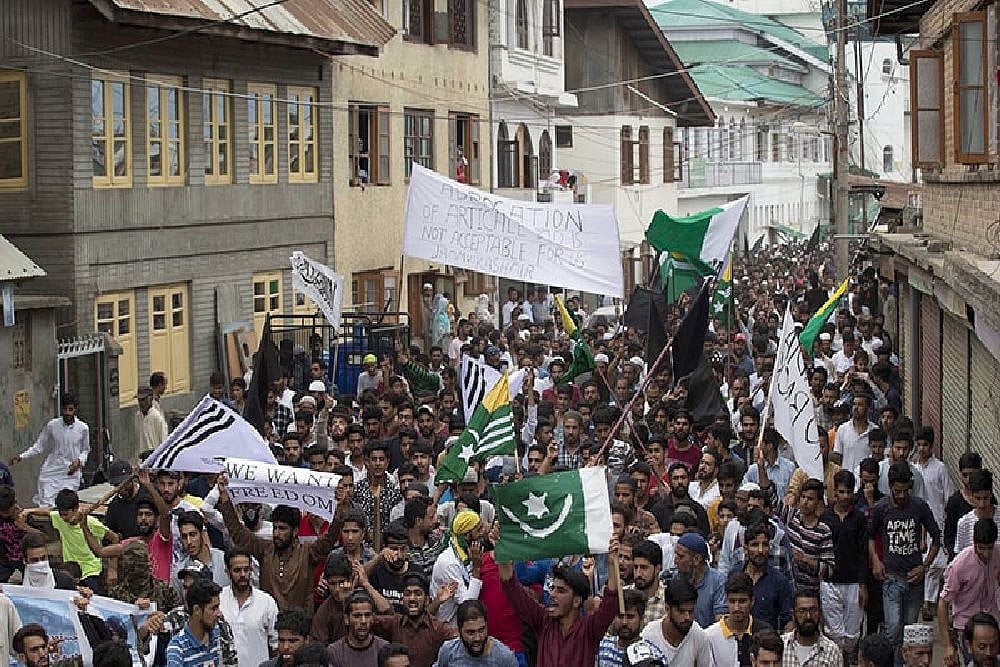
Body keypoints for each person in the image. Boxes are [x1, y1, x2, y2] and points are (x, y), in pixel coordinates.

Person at [216, 475, 345, 611]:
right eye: (275, 528)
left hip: (301, 626)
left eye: (282, 529)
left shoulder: (308, 552)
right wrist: (225, 499)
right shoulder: (266, 549)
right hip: (270, 624)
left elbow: (330, 537)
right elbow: (238, 533)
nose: (277, 533)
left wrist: (340, 506)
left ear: (295, 531)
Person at [497, 537, 620, 666]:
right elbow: (511, 588)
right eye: (552, 588)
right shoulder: (543, 621)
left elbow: (610, 602)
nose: (552, 594)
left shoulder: (589, 629)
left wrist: (612, 563)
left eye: (561, 591)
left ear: (576, 601)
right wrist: (502, 548)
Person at [869, 462, 941, 663]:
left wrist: (924, 566)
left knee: (909, 632)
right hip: (891, 577)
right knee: (893, 631)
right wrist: (876, 560)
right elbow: (870, 537)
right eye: (897, 491)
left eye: (905, 491)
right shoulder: (881, 508)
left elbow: (936, 538)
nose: (901, 495)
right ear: (890, 487)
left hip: (914, 579)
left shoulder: (919, 506)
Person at [819, 469, 868, 661]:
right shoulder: (825, 519)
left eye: (848, 492)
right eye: (841, 492)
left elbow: (863, 552)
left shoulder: (859, 519)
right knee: (834, 632)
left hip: (853, 582)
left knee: (852, 633)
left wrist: (863, 584)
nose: (845, 496)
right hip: (830, 581)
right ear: (834, 492)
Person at [938, 519, 1000, 667]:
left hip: (992, 621)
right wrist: (947, 646)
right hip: (966, 625)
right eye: (982, 548)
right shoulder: (960, 565)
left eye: (989, 548)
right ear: (974, 542)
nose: (986, 553)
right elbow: (943, 604)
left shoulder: (998, 554)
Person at [12, 394, 89, 507]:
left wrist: (79, 461)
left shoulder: (83, 428)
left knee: (66, 504)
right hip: (52, 470)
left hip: (70, 473)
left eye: (70, 409)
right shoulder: (52, 425)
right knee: (46, 502)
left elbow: (86, 450)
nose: (67, 412)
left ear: (75, 410)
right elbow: (39, 446)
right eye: (65, 409)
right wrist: (22, 456)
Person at [218, 547, 278, 667]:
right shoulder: (218, 600)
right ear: (227, 572)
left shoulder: (266, 602)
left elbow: (276, 644)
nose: (243, 575)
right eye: (237, 570)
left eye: (246, 569)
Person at [639, 577, 713, 665]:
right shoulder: (649, 635)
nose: (687, 617)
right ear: (667, 609)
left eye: (691, 611)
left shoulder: (699, 636)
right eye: (681, 612)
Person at [431, 510, 485, 625]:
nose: (482, 533)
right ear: (466, 535)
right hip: (447, 627)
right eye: (478, 530)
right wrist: (476, 569)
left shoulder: (467, 552)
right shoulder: (449, 562)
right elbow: (467, 604)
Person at [434, 600, 518, 666]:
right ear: (459, 631)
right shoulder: (448, 651)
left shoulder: (504, 657)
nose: (477, 638)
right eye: (471, 632)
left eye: (481, 630)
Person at [703, 572, 760, 667]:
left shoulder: (764, 632)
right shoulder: (709, 636)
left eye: (742, 601)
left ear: (752, 601)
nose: (737, 607)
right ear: (726, 601)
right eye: (732, 601)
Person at [164, 578, 224, 666]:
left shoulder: (220, 633)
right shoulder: (177, 648)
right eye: (213, 608)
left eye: (218, 607)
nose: (219, 613)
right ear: (197, 610)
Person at [672, 532, 726, 629]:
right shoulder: (675, 578)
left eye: (680, 557)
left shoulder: (718, 581)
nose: (675, 561)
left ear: (696, 559)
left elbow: (720, 623)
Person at [780, 588, 841, 666]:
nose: (808, 616)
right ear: (793, 615)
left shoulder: (832, 651)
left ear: (820, 613)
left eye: (813, 610)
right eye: (802, 611)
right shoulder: (781, 645)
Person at [327, 591, 389, 666]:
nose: (363, 621)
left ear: (373, 617)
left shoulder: (384, 648)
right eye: (357, 616)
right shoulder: (334, 652)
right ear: (347, 619)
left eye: (367, 615)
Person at [173, 511, 229, 591]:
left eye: (193, 535)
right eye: (184, 537)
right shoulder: (178, 572)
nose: (189, 541)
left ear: (202, 534)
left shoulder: (224, 560)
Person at [597, 589, 647, 667]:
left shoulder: (652, 655)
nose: (624, 622)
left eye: (630, 617)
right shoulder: (602, 647)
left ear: (641, 618)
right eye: (620, 616)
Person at [626, 540, 665, 628]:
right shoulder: (622, 595)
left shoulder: (668, 599)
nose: (638, 573)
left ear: (657, 569)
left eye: (644, 568)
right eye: (635, 567)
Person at [135, 385, 169, 453]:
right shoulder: (138, 416)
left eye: (144, 399)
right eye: (139, 400)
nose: (141, 403)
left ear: (150, 398)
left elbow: (164, 442)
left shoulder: (157, 418)